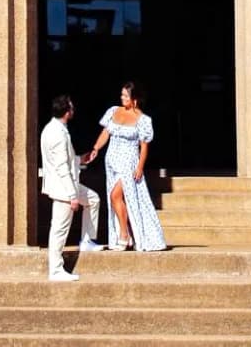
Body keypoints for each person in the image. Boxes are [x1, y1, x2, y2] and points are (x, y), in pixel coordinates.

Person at [87, 82, 167, 251]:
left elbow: (144, 146)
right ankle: (124, 234)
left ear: (135, 99)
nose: (122, 98)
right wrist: (95, 148)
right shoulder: (113, 111)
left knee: (116, 195)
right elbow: (105, 133)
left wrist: (140, 167)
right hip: (111, 161)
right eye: (121, 95)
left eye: (125, 96)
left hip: (128, 162)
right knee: (114, 197)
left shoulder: (143, 120)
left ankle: (125, 234)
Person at [41, 94, 102, 281]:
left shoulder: (55, 128)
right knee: (59, 229)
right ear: (67, 112)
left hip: (68, 185)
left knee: (93, 199)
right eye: (72, 108)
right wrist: (72, 196)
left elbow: (65, 160)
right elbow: (61, 167)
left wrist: (80, 159)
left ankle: (87, 240)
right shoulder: (57, 133)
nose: (73, 111)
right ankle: (56, 269)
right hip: (64, 189)